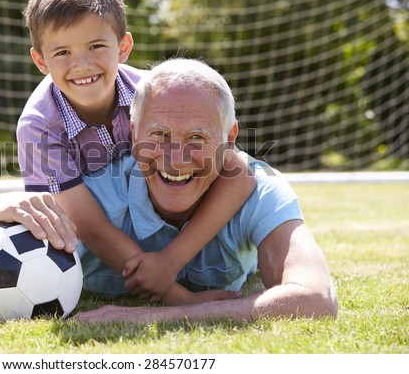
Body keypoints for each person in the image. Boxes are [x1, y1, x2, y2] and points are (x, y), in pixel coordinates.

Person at [12, 0, 256, 304]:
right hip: (95, 238)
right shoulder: (39, 126)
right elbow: (90, 226)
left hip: (160, 222)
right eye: (63, 52)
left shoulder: (154, 94)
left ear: (123, 46)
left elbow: (237, 169)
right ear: (40, 60)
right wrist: (176, 296)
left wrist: (171, 261)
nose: (82, 64)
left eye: (96, 46)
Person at [66, 58, 338, 322]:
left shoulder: (260, 188)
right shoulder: (95, 199)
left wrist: (150, 317)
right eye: (159, 135)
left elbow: (316, 297)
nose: (176, 159)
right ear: (135, 134)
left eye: (197, 138)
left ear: (229, 138)